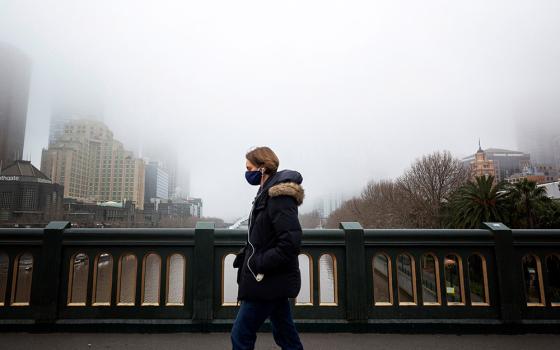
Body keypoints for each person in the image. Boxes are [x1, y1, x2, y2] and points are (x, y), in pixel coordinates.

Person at [231, 146, 305, 350]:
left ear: (262, 168)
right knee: (286, 335)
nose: (247, 173)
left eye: (249, 167)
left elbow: (290, 242)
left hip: (267, 280)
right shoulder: (265, 193)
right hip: (273, 280)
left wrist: (258, 263)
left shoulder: (278, 197)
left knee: (240, 335)